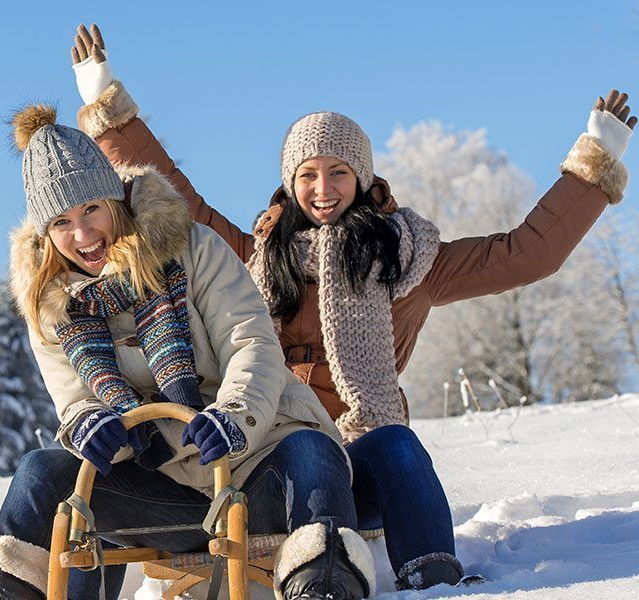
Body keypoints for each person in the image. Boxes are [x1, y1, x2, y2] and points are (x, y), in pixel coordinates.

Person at [65, 24, 634, 591]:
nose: (323, 188)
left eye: (338, 172)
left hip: (358, 460)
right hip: (268, 456)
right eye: (307, 175)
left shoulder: (408, 260)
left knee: (398, 445)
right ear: (289, 185)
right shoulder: (253, 257)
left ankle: (433, 575)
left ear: (362, 179)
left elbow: (524, 253)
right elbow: (181, 199)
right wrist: (106, 102)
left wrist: (593, 167)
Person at [0, 105, 379, 600]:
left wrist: (232, 415)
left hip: (258, 467)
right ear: (45, 234)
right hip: (165, 496)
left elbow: (251, 341)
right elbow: (74, 399)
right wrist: (91, 422)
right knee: (41, 471)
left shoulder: (192, 246)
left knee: (311, 446)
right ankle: (3, 590)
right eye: (63, 222)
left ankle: (323, 580)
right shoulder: (51, 305)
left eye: (91, 209)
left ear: (116, 200)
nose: (83, 235)